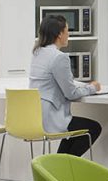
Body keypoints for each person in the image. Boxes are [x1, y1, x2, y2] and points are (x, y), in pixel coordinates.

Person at [28, 14, 103, 158]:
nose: (68, 34)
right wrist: (93, 87)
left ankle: (59, 167)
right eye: (67, 30)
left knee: (73, 133)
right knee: (93, 128)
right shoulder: (59, 57)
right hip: (50, 118)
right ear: (59, 34)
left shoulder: (37, 53)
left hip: (35, 116)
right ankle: (63, 167)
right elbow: (71, 93)